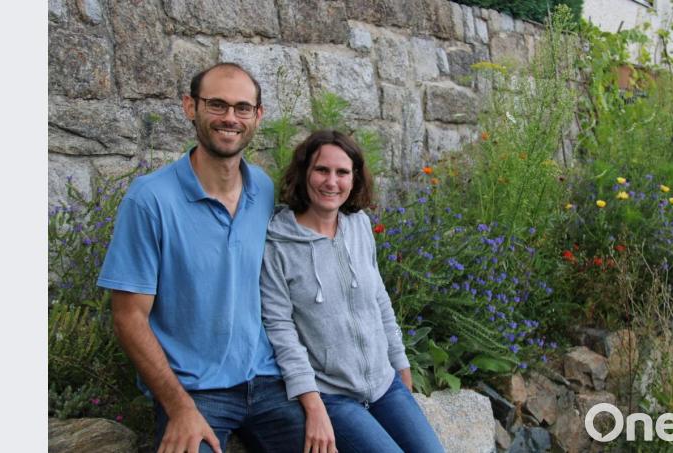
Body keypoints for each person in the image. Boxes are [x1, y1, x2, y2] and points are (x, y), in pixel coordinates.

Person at [98, 63, 305, 453]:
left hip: (265, 380)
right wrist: (179, 407)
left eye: (242, 108)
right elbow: (128, 316)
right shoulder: (150, 200)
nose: (230, 118)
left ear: (258, 116)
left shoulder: (261, 186)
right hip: (195, 391)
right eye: (217, 105)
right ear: (190, 107)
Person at [260, 130, 445, 453]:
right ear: (304, 173)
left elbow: (379, 299)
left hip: (384, 385)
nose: (331, 182)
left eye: (342, 172)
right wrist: (313, 405)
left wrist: (401, 365)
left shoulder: (359, 225)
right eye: (322, 170)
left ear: (354, 178)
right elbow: (280, 330)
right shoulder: (277, 245)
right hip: (332, 396)